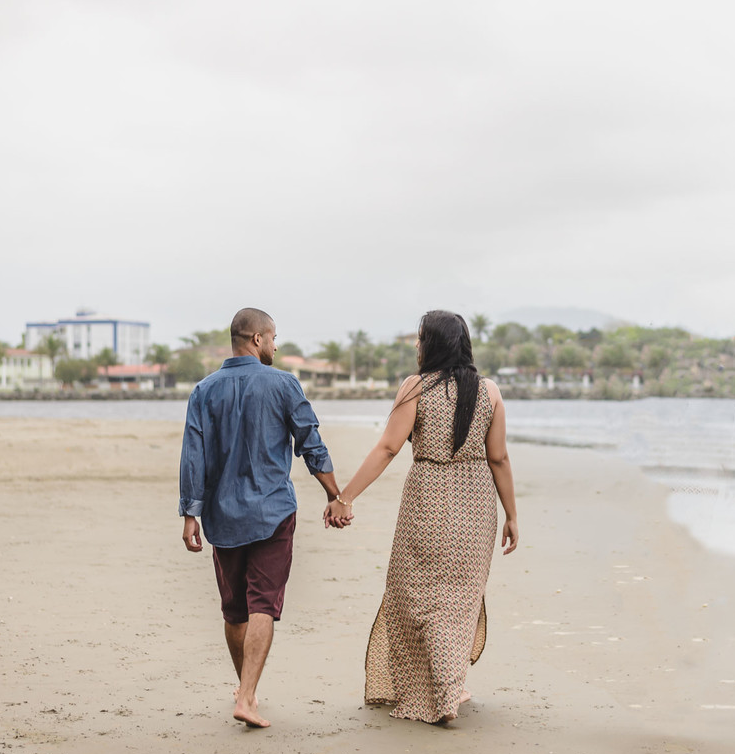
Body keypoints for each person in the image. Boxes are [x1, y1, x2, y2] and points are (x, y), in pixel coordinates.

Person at [326, 309, 519, 723]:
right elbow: (499, 458)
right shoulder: (490, 392)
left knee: (415, 595)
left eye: (420, 338)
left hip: (427, 501)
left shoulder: (416, 388)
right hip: (476, 505)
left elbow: (388, 448)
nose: (416, 346)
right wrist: (511, 515)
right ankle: (450, 688)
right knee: (458, 600)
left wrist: (346, 497)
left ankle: (437, 693)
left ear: (432, 344)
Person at [179, 307, 346, 728]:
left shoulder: (204, 390)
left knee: (234, 609)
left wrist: (190, 515)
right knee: (263, 604)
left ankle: (245, 690)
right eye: (273, 338)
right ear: (256, 339)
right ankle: (248, 695)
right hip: (273, 512)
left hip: (223, 516)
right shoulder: (285, 384)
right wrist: (336, 496)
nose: (275, 345)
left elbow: (192, 458)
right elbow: (312, 444)